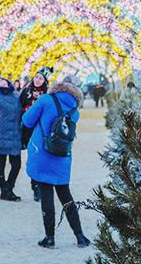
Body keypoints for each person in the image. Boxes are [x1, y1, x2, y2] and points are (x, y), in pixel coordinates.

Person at [23, 79, 91, 249]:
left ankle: (50, 237)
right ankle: (80, 236)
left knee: (46, 195)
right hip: (62, 155)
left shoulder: (46, 99)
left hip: (43, 153)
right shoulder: (75, 109)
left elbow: (27, 120)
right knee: (65, 195)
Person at [19, 68, 52, 202]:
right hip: (28, 130)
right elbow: (19, 108)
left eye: (41, 78)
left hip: (41, 130)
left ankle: (43, 184)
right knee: (32, 157)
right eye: (36, 77)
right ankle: (35, 187)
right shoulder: (26, 92)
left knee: (42, 157)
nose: (37, 80)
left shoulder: (47, 95)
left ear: (44, 81)